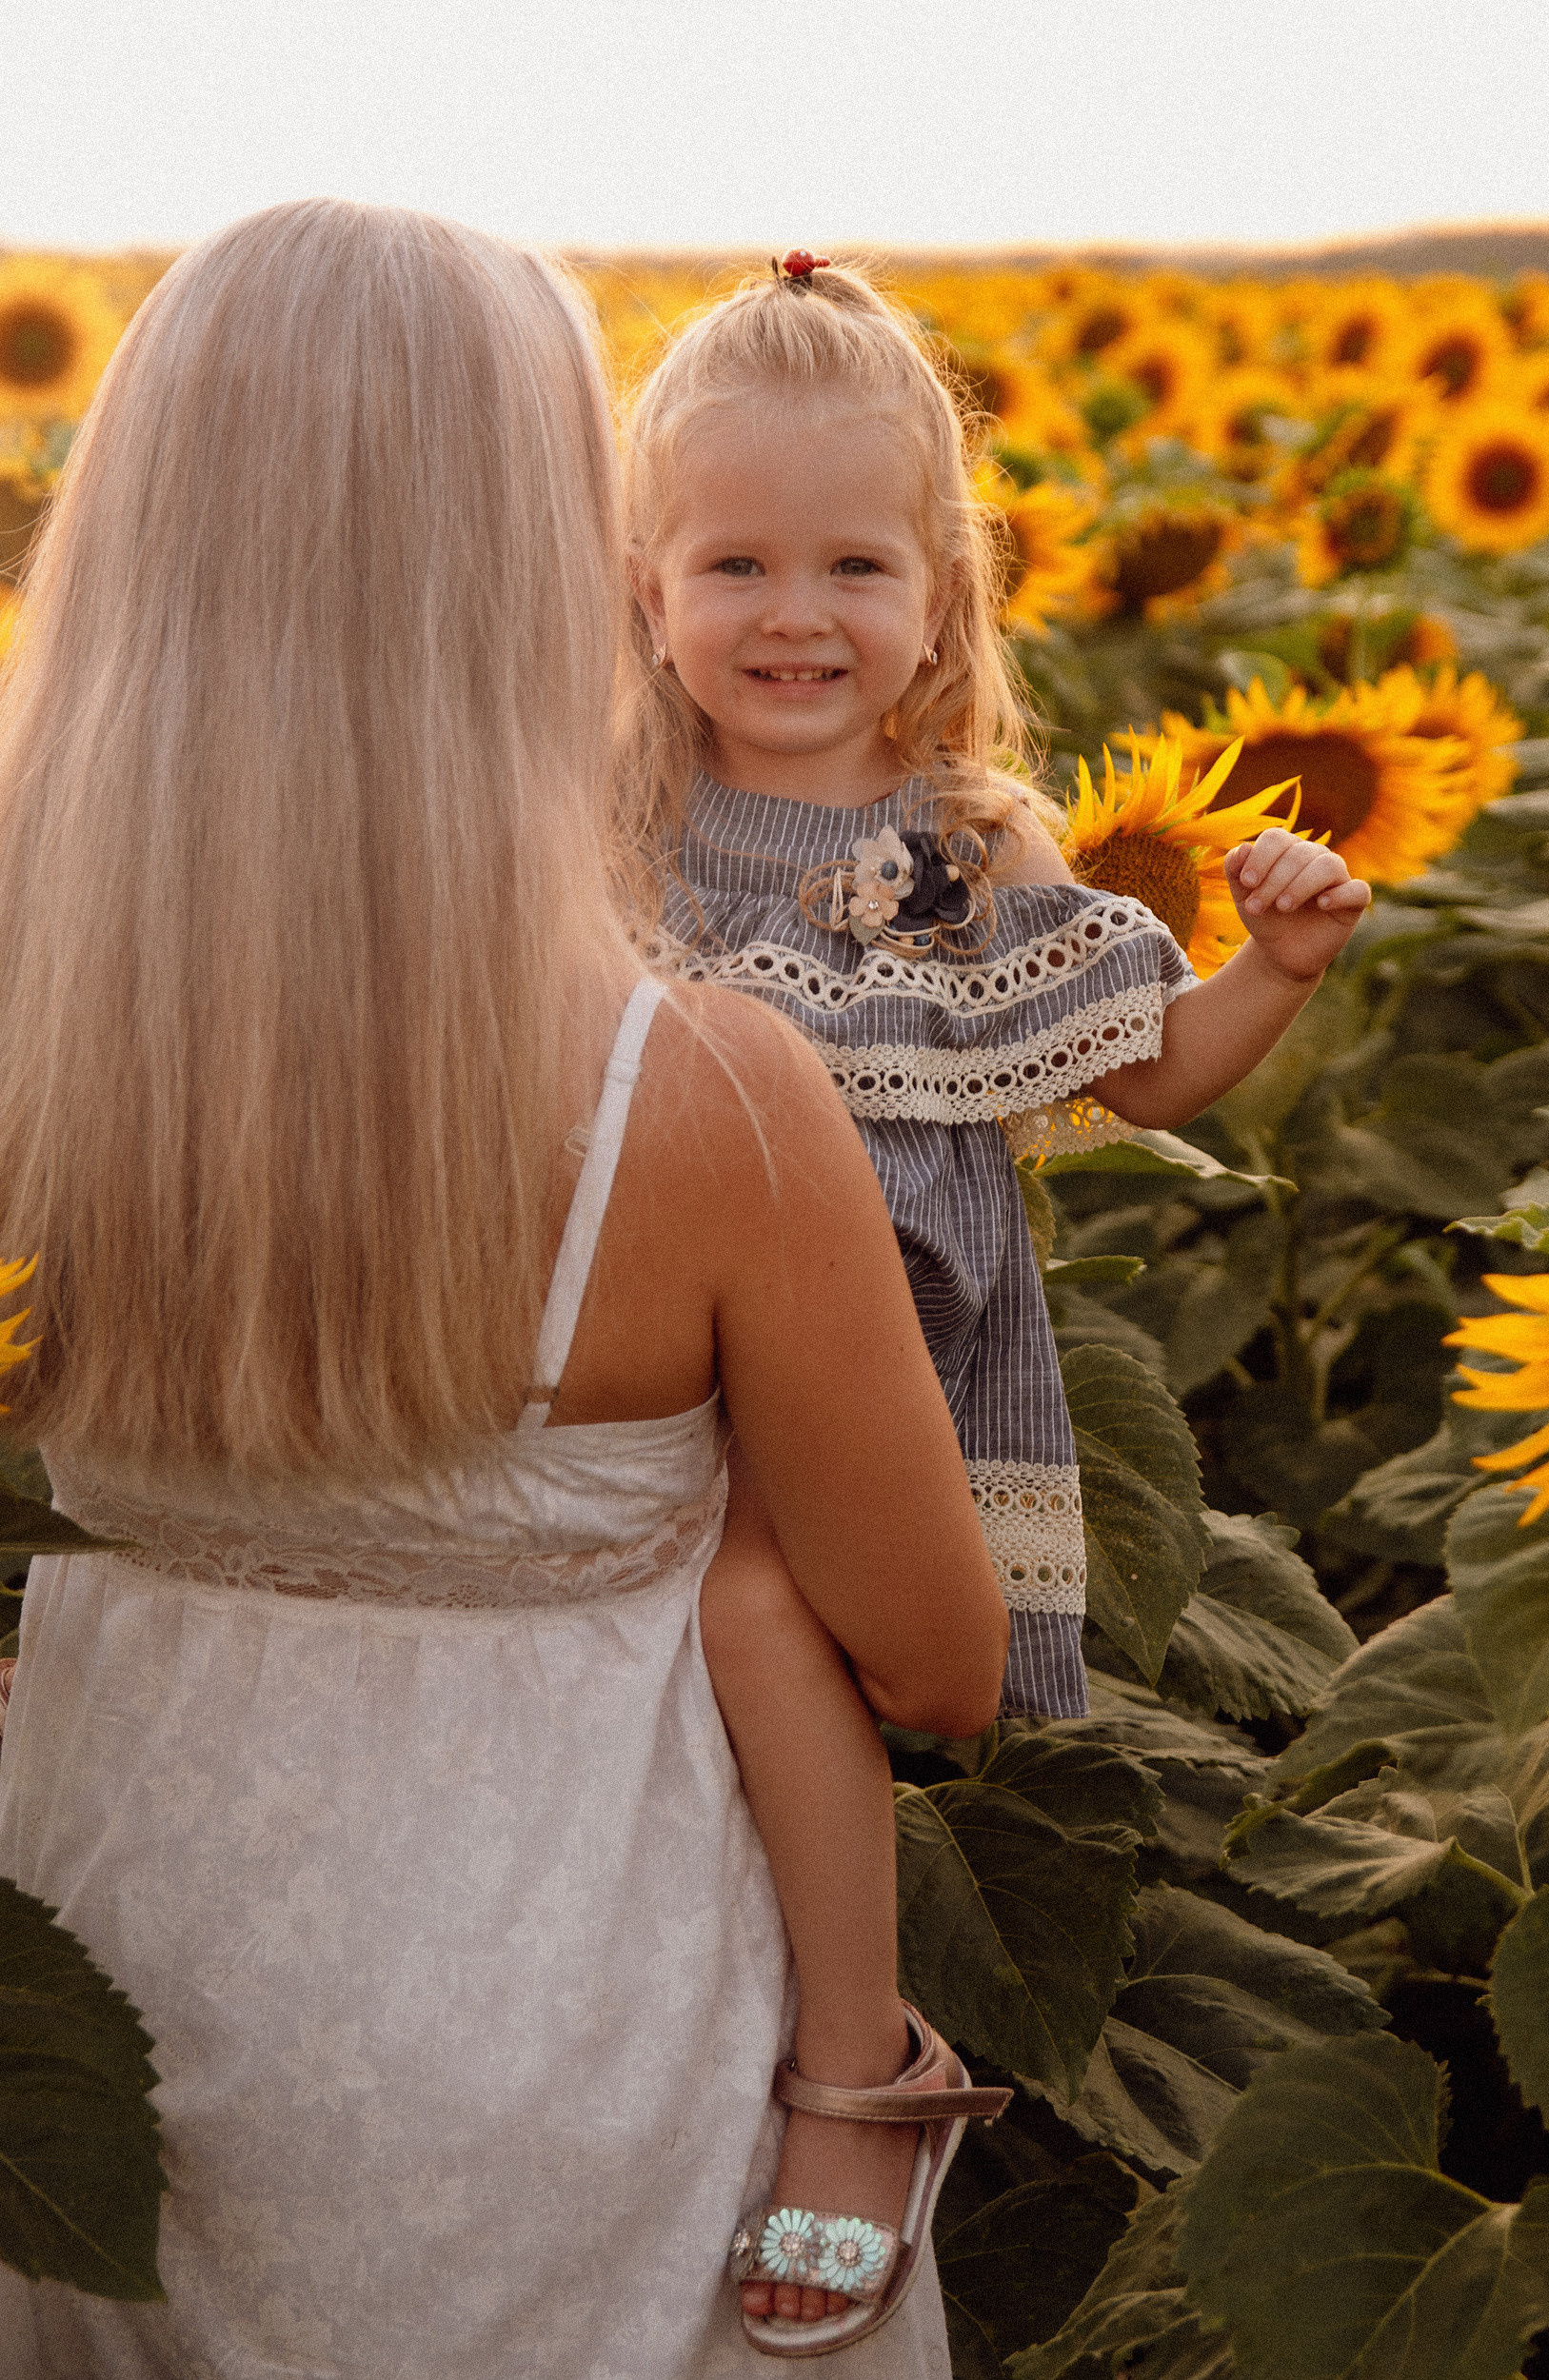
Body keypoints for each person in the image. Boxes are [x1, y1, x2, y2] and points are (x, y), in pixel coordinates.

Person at [0, 201, 1009, 2378]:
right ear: (558, 557)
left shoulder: (25, 1023)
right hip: (578, 2077)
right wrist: (740, 1516)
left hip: (110, 2026)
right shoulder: (708, 1096)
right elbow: (942, 1659)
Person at [625, 256, 1372, 2350]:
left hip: (877, 1370)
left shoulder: (963, 851)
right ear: (641, 583)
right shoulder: (612, 827)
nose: (795, 611)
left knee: (771, 1613)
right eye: (736, 559)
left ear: (940, 598)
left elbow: (1142, 1071)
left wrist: (1272, 977)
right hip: (658, 1348)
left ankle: (857, 2068)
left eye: (853, 561)